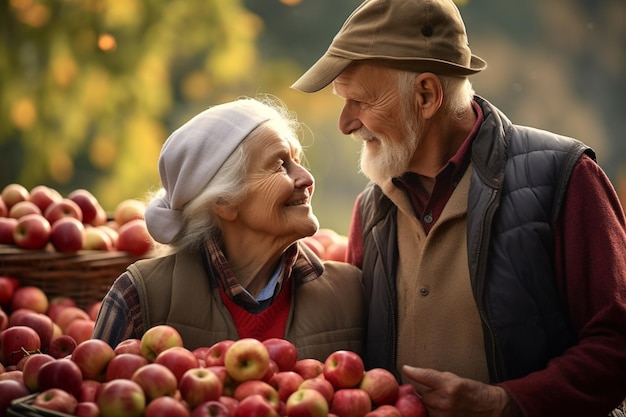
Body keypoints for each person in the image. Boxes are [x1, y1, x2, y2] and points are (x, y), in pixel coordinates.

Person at [291, 0, 626, 416]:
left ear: (426, 95)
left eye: (359, 101)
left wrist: (503, 403)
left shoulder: (566, 176)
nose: (345, 123)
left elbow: (616, 345)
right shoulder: (371, 210)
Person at [92, 97, 365, 361]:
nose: (307, 178)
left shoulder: (351, 294)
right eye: (281, 164)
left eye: (298, 161)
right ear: (224, 202)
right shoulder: (141, 297)